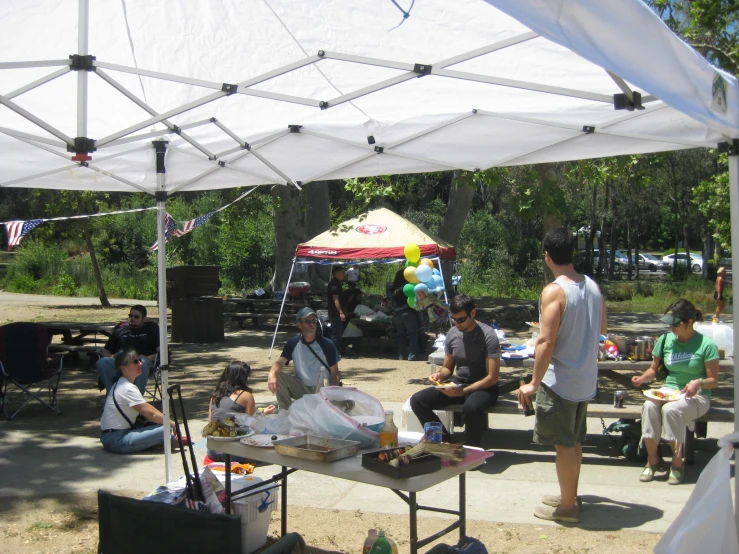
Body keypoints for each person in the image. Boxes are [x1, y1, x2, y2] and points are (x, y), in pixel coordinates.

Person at [516, 228, 607, 524]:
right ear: (572, 252)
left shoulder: (555, 290)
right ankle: (570, 494)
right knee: (574, 441)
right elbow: (602, 328)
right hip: (584, 379)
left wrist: (533, 383)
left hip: (562, 383)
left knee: (565, 445)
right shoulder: (592, 286)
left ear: (547, 256)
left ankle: (568, 508)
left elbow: (545, 341)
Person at [631, 299, 719, 485]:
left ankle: (677, 464)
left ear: (689, 322)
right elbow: (654, 369)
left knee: (671, 410)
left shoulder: (706, 344)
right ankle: (652, 460)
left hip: (697, 395)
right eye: (669, 322)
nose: (671, 327)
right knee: (649, 406)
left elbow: (713, 381)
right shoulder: (665, 340)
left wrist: (699, 382)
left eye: (676, 323)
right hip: (668, 390)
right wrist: (642, 378)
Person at [410, 294, 501, 447]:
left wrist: (463, 391)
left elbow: (492, 377)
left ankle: (472, 450)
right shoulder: (453, 334)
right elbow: (447, 368)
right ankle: (444, 442)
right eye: (454, 319)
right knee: (417, 400)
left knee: (471, 408)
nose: (457, 324)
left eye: (461, 319)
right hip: (459, 384)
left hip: (484, 387)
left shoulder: (488, 335)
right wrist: (439, 375)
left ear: (472, 313)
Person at [99, 348, 172, 454]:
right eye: (135, 361)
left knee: (159, 425)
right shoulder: (128, 388)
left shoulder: (120, 383)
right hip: (117, 440)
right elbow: (151, 413)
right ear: (123, 368)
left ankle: (157, 442)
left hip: (110, 437)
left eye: (139, 360)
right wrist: (173, 425)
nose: (141, 364)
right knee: (166, 430)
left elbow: (149, 412)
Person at [268, 307, 342, 409]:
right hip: (301, 388)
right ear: (299, 324)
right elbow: (279, 363)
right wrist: (272, 374)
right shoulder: (293, 343)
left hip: (322, 391)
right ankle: (286, 412)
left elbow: (335, 373)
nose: (312, 324)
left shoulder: (327, 344)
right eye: (308, 321)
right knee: (278, 375)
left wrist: (332, 396)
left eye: (314, 321)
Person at [207, 361, 276, 463]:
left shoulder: (215, 395)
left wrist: (262, 412)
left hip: (212, 452)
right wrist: (262, 415)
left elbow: (210, 423)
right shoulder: (246, 395)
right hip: (234, 454)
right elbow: (250, 424)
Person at [96, 305, 159, 395]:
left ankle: (135, 398)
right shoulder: (120, 330)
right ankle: (114, 396)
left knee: (143, 362)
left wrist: (148, 357)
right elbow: (105, 351)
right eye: (130, 315)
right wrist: (112, 356)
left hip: (140, 361)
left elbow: (162, 353)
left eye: (136, 317)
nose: (132, 318)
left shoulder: (151, 330)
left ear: (143, 319)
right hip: (120, 362)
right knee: (102, 362)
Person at [392, 268, 421, 361]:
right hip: (407, 312)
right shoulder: (408, 287)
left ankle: (401, 355)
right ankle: (412, 355)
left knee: (400, 335)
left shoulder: (394, 288)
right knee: (413, 334)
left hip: (396, 314)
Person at [326, 266, 347, 350]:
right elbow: (335, 299)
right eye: (342, 272)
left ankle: (335, 350)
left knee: (337, 332)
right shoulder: (334, 285)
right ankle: (334, 351)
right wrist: (341, 312)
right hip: (334, 313)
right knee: (335, 333)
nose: (344, 274)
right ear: (337, 273)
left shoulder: (338, 283)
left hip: (335, 312)